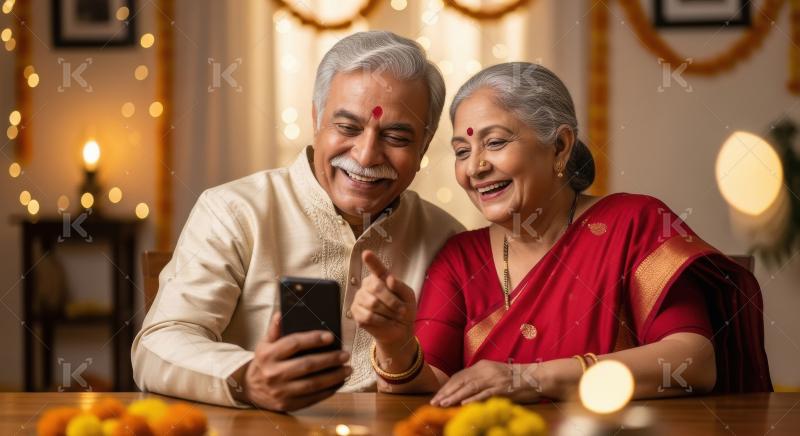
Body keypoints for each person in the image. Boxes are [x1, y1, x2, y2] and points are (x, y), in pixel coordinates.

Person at [352, 62, 772, 405]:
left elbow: (693, 361)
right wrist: (393, 341)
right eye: (462, 152)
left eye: (495, 143)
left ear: (560, 147)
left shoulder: (634, 222)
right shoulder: (460, 257)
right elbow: (428, 386)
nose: (475, 167)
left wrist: (529, 379)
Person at [131, 31, 464, 411]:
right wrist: (246, 379)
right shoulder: (234, 211)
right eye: (348, 127)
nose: (367, 154)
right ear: (316, 118)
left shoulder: (447, 238)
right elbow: (158, 344)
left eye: (396, 136)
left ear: (425, 143)